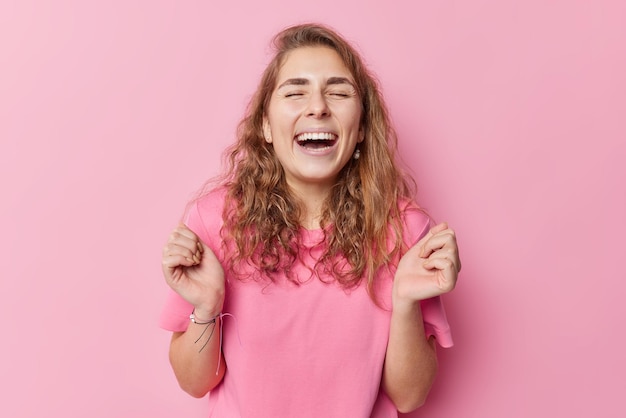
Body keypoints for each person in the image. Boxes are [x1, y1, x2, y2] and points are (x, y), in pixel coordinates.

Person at [159, 23, 461, 418]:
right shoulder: (215, 220)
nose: (317, 107)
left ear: (362, 129)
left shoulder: (406, 231)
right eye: (295, 92)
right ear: (265, 125)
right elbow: (195, 382)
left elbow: (409, 397)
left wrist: (404, 304)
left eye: (337, 92)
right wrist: (207, 306)